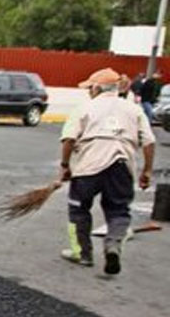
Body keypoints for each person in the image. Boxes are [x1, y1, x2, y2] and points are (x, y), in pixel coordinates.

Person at [60, 68, 156, 276]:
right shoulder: (134, 110)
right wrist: (146, 171)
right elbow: (148, 142)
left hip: (89, 166)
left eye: (89, 88)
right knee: (119, 211)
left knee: (78, 209)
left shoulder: (85, 108)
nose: (88, 92)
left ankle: (83, 253)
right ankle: (112, 245)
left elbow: (69, 139)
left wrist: (65, 166)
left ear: (96, 88)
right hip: (121, 167)